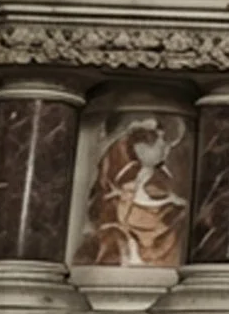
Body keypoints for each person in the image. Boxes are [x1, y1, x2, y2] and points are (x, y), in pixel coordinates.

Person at [77, 114, 188, 268]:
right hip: (130, 219)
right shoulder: (124, 173)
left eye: (166, 144)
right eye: (160, 143)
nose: (165, 149)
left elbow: (156, 194)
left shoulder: (159, 176)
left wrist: (173, 201)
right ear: (140, 147)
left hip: (146, 220)